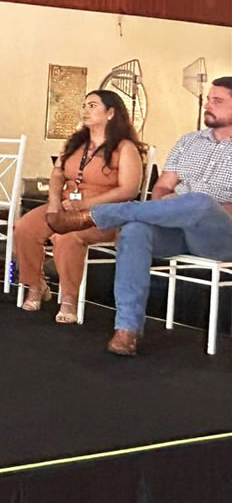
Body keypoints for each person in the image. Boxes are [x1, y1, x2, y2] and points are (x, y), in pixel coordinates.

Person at [48, 77, 232, 356]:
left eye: (217, 101)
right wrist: (167, 204)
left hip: (220, 236)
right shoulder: (189, 142)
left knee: (200, 202)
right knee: (135, 229)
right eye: (208, 99)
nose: (208, 105)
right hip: (178, 231)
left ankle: (96, 215)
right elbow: (162, 187)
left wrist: (191, 205)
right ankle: (127, 330)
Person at [13, 91, 144, 323]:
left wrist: (83, 204)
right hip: (66, 206)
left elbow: (128, 190)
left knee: (67, 236)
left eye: (92, 106)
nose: (85, 110)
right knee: (24, 227)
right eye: (83, 105)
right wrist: (54, 203)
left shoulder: (125, 148)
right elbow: (57, 174)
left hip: (103, 214)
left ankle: (69, 299)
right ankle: (35, 285)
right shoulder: (76, 143)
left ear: (110, 113)